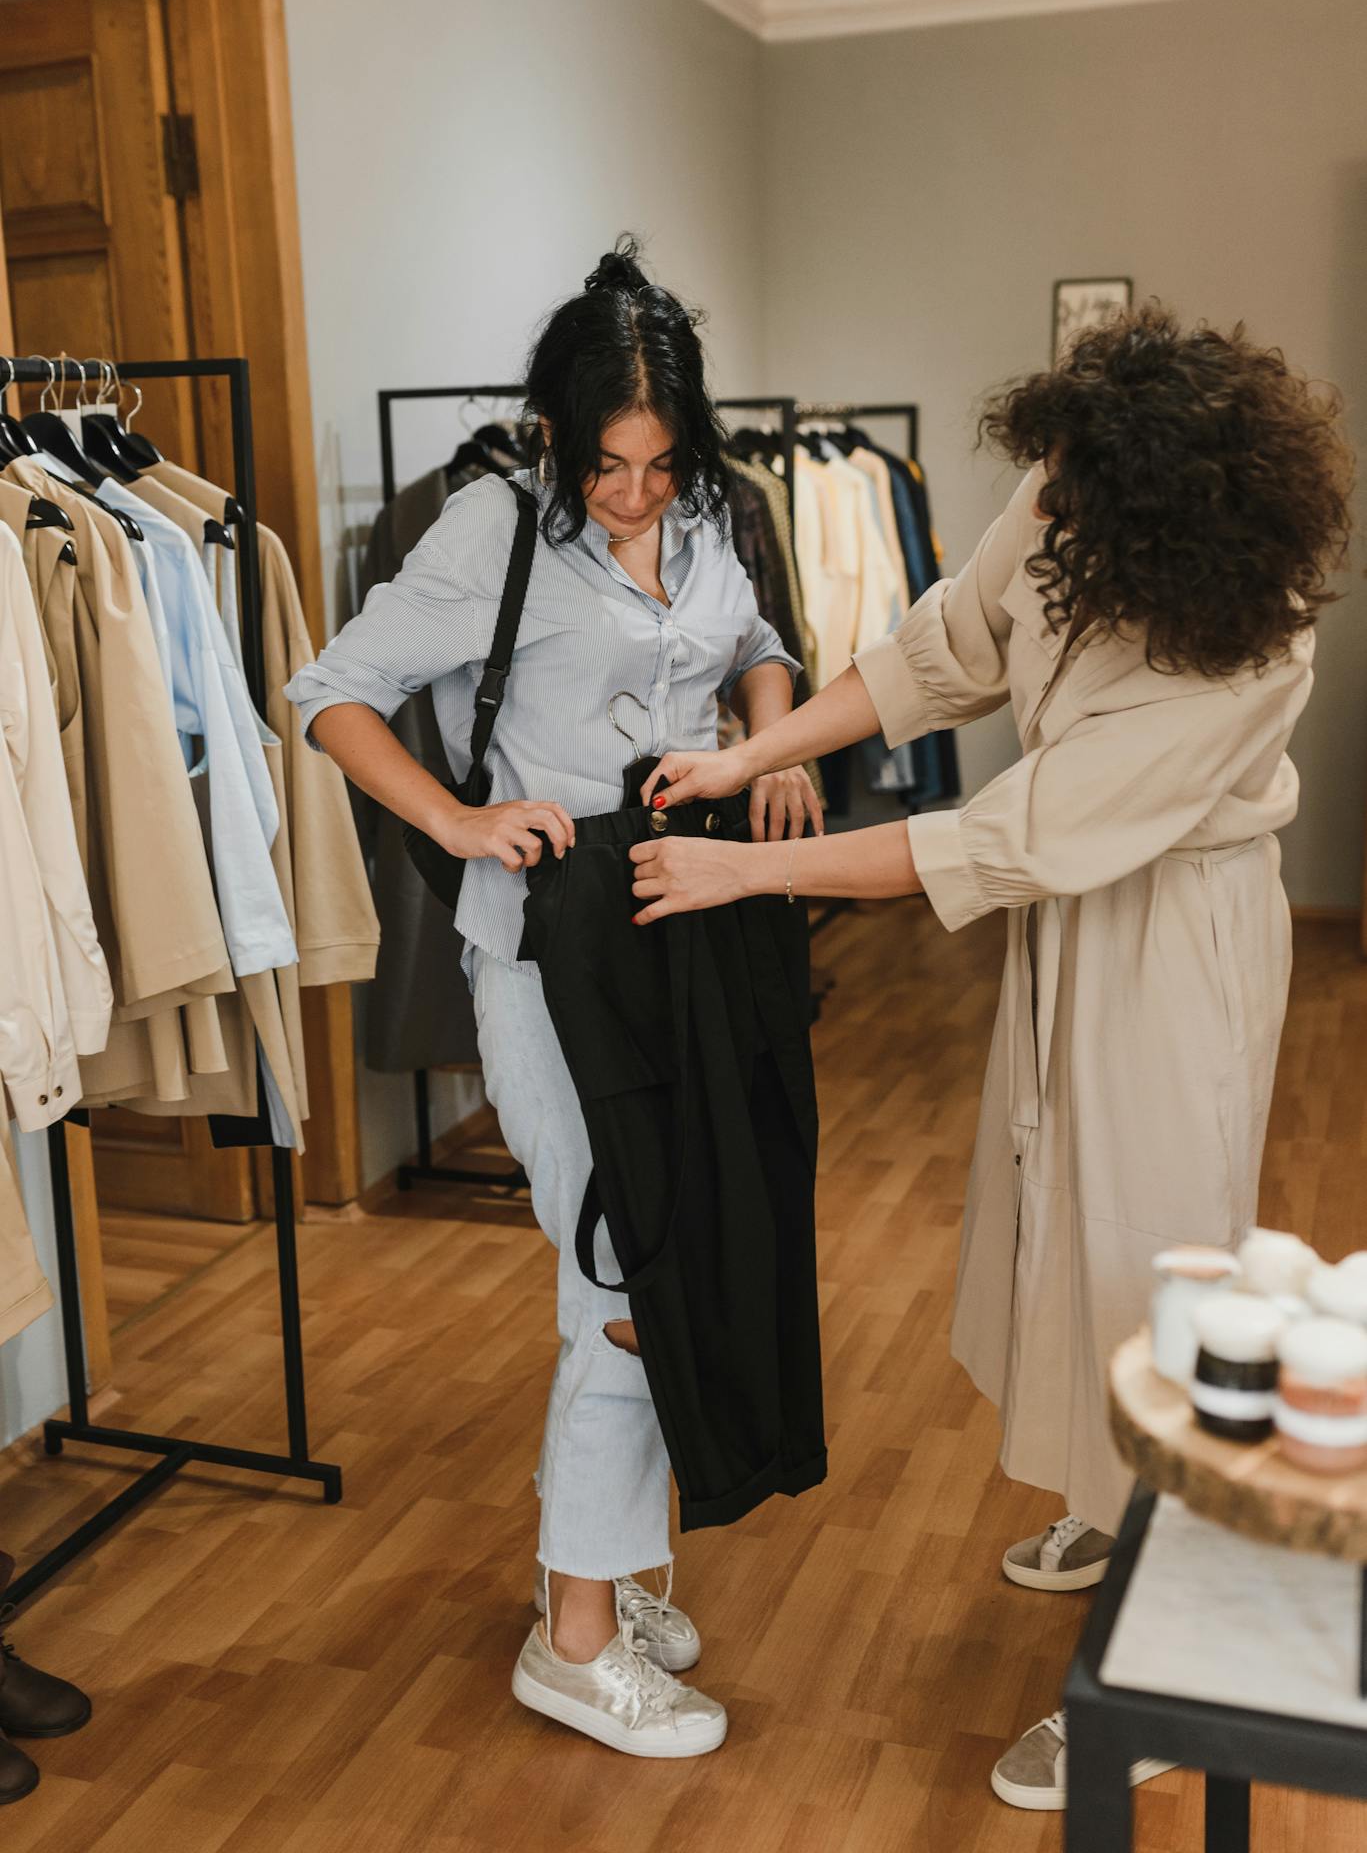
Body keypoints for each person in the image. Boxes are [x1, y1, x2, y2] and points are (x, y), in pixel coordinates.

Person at [628, 304, 1354, 1807]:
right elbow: (939, 651)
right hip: (1070, 921)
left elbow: (1018, 833)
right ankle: (1118, 1501)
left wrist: (753, 872)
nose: (1053, 504)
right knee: (1065, 1225)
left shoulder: (1250, 640)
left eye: (1080, 493)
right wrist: (756, 756)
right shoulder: (1065, 489)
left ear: (1169, 515)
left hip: (1175, 932)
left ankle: (1171, 1663)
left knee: (1151, 1259)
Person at [285, 238, 821, 1760]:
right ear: (552, 431)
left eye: (659, 463)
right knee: (622, 1277)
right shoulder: (490, 528)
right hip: (544, 952)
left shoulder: (718, 512)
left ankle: (594, 1569)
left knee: (685, 1243)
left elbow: (762, 646)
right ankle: (573, 1643)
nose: (634, 494)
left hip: (695, 921)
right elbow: (325, 689)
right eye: (607, 463)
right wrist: (456, 828)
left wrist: (766, 746)